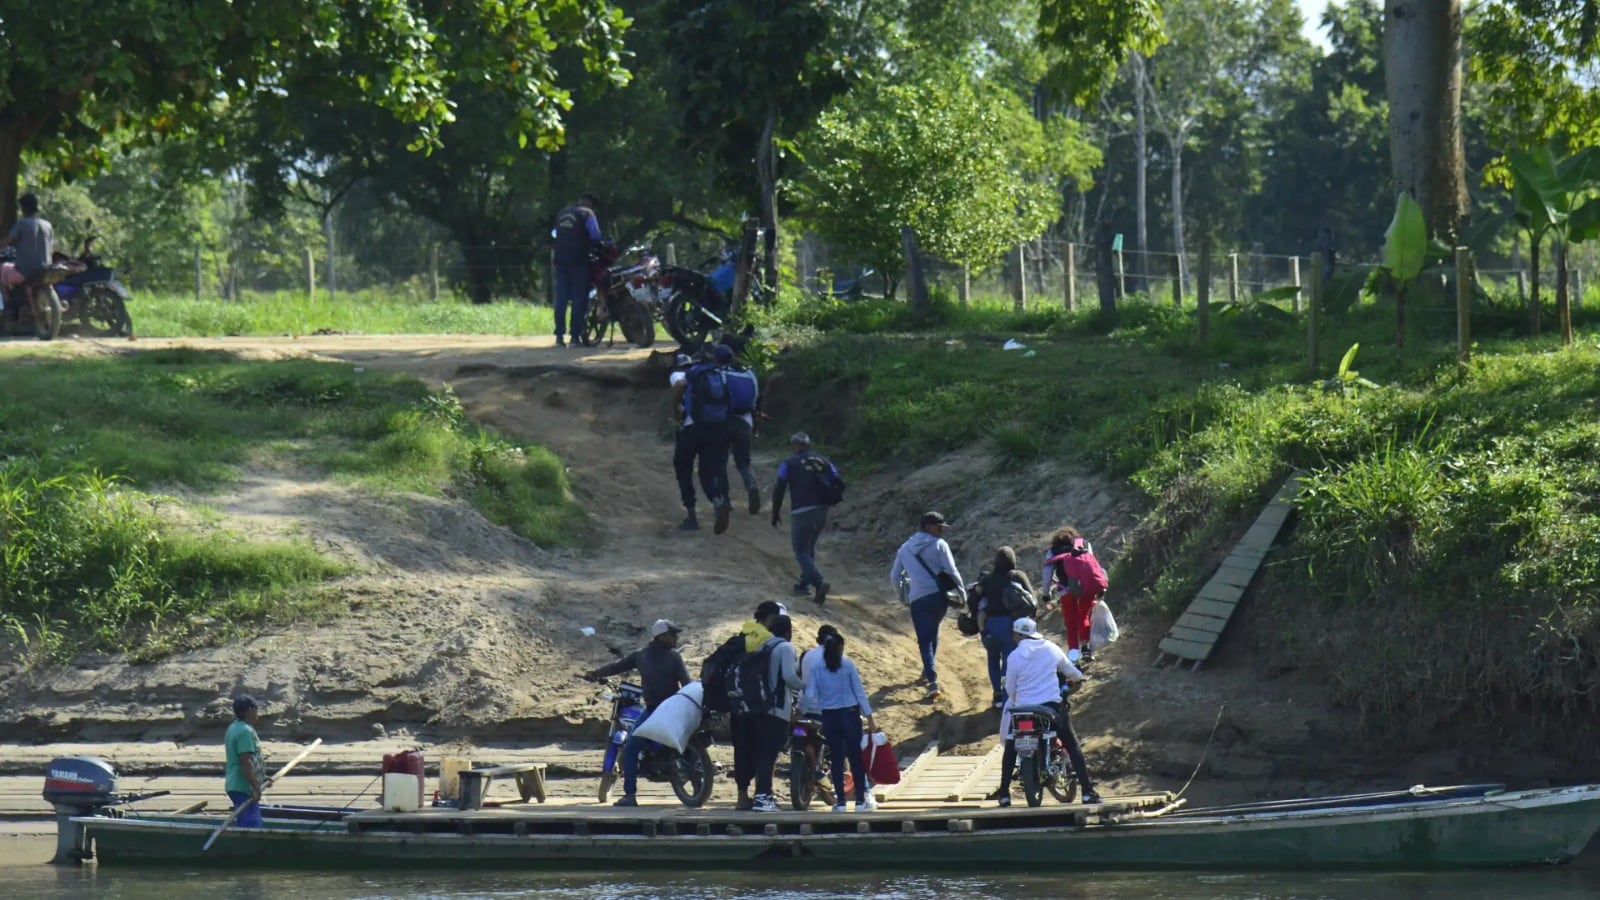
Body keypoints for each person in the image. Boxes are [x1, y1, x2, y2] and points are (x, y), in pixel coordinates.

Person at [583, 619, 693, 807]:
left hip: (653, 710)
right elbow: (687, 684)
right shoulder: (674, 657)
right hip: (674, 709)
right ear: (662, 636)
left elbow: (616, 667)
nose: (676, 638)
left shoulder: (641, 656)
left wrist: (595, 674)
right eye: (673, 635)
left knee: (631, 748)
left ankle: (630, 795)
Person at [996, 618, 1099, 807]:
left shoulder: (1014, 656)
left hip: (1022, 711)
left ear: (1018, 634)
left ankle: (1004, 794)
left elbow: (1010, 690)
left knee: (1011, 746)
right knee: (1072, 744)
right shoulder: (1051, 648)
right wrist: (1076, 679)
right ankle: (1087, 791)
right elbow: (1074, 674)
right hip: (1050, 709)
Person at [703, 600, 787, 810]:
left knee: (741, 747)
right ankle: (762, 794)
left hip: (736, 703)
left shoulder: (742, 635)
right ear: (769, 618)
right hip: (760, 704)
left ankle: (742, 797)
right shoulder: (767, 639)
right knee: (763, 748)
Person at [889, 511, 964, 700]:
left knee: (924, 638)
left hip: (918, 599)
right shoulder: (939, 545)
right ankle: (928, 670)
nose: (942, 530)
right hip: (938, 597)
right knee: (933, 632)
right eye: (939, 527)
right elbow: (951, 571)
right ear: (928, 527)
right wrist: (962, 593)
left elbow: (894, 576)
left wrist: (902, 596)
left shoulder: (905, 549)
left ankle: (932, 680)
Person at [800, 631, 878, 813]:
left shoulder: (817, 668)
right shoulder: (848, 666)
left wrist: (799, 712)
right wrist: (870, 718)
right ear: (841, 648)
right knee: (855, 758)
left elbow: (810, 695)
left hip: (829, 716)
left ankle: (840, 802)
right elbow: (859, 693)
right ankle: (860, 801)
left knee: (836, 758)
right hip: (850, 715)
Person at [731, 613, 799, 813]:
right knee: (769, 754)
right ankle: (763, 798)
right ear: (789, 631)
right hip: (777, 709)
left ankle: (763, 796)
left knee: (762, 752)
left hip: (759, 707)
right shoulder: (786, 647)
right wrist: (807, 684)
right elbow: (788, 676)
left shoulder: (764, 646)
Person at [771, 431, 842, 606]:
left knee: (801, 550)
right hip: (822, 510)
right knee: (809, 547)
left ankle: (818, 582)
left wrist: (775, 512)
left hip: (801, 511)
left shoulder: (788, 463)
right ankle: (803, 585)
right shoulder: (824, 460)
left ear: (795, 446)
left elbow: (779, 488)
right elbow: (839, 481)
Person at [673, 351, 734, 534]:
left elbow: (680, 385)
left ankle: (692, 518)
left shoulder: (684, 374)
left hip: (692, 429)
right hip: (716, 429)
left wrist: (675, 407)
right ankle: (717, 500)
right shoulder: (718, 375)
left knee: (683, 470)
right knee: (707, 473)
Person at [974, 547, 1034, 709]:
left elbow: (974, 598)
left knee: (993, 659)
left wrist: (980, 628)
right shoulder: (1018, 576)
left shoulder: (987, 579)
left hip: (989, 624)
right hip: (1011, 625)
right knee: (1008, 664)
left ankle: (997, 694)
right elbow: (1031, 600)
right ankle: (1008, 698)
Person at [1041, 526, 1110, 660]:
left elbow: (1047, 574)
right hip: (1085, 588)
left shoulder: (1053, 551)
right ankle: (1086, 649)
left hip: (1066, 590)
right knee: (1084, 616)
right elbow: (1093, 565)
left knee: (1070, 623)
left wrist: (1046, 594)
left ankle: (1074, 657)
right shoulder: (1084, 545)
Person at [552, 192, 601, 348]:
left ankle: (559, 336)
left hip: (560, 261)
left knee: (561, 299)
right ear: (590, 203)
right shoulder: (587, 214)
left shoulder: (563, 212)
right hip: (579, 260)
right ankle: (575, 337)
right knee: (579, 299)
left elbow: (554, 233)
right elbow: (595, 236)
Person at [720, 344, 763, 515]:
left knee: (720, 463)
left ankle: (726, 500)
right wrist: (756, 425)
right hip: (745, 423)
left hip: (722, 422)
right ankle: (751, 486)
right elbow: (757, 402)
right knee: (744, 462)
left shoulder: (719, 374)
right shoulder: (750, 374)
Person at [0, 193, 55, 317]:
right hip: (46, 268)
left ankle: (9, 306)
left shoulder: (22, 224)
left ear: (23, 209)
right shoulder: (47, 225)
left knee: (1, 269)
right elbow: (51, 247)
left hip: (24, 271)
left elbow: (6, 242)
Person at [224, 695, 266, 828]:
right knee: (252, 825)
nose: (257, 713)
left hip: (236, 784)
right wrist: (255, 787)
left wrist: (262, 777)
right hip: (243, 786)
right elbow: (245, 762)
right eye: (256, 709)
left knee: (245, 821)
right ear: (249, 710)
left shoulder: (234, 727)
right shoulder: (245, 731)